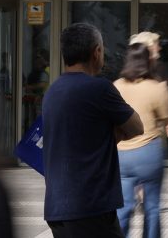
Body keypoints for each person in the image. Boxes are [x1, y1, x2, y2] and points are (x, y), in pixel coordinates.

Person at [43, 23, 144, 238]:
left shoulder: (53, 91)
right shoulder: (99, 88)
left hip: (56, 208)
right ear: (96, 52)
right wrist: (114, 133)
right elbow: (137, 126)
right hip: (91, 206)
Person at [114, 43, 168, 238]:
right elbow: (167, 116)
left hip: (121, 153)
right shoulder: (156, 87)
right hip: (149, 152)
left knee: (123, 207)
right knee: (152, 207)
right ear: (148, 61)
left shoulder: (116, 86)